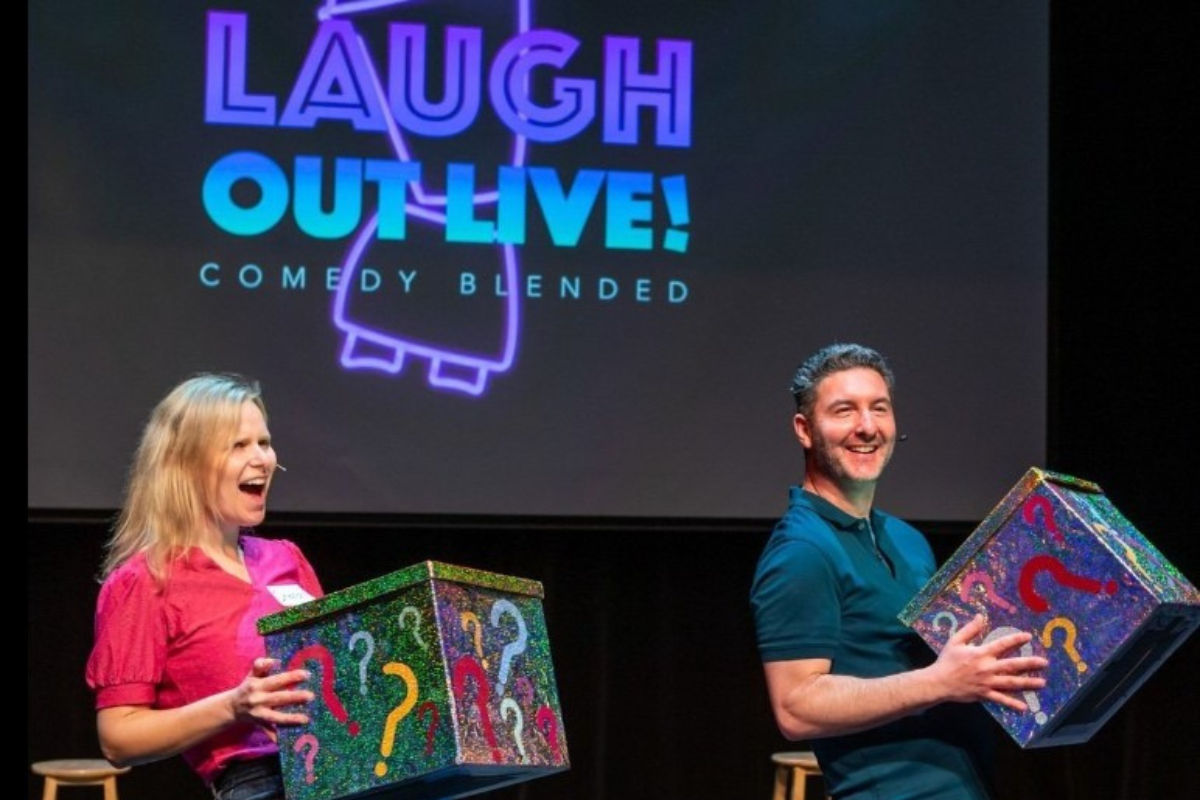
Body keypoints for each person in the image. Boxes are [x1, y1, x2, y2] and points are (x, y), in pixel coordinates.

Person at [749, 343, 1048, 800]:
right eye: (844, 411)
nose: (866, 427)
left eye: (879, 408)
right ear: (805, 430)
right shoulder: (801, 551)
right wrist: (940, 681)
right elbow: (796, 708)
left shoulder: (908, 541)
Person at [86, 372, 324, 800]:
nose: (263, 459)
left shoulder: (286, 558)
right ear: (185, 463)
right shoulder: (144, 583)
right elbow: (118, 738)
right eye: (239, 445)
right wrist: (234, 706)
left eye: (264, 443)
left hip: (344, 771)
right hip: (261, 783)